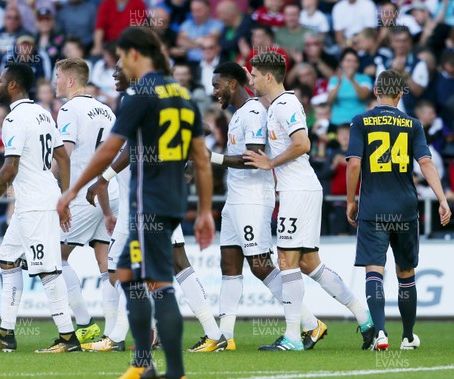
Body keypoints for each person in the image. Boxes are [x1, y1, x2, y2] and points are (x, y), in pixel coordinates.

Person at [57, 27, 214, 379]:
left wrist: (72, 189)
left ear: (134, 54)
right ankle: (145, 362)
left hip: (149, 203)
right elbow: (201, 160)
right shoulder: (183, 95)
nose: (119, 64)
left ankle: (168, 369)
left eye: (122, 57)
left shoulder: (139, 94)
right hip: (173, 199)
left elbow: (112, 148)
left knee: (157, 281)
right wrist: (203, 210)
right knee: (127, 273)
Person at [82, 60, 226, 354]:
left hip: (153, 197)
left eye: (120, 67)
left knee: (153, 265)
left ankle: (122, 335)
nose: (114, 73)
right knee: (142, 267)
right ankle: (143, 333)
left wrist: (103, 177)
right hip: (146, 197)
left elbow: (130, 148)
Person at [245, 52, 373, 351]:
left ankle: (292, 337)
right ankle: (365, 318)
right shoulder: (279, 103)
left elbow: (303, 143)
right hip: (300, 189)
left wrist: (271, 162)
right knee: (308, 263)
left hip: (298, 191)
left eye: (253, 75)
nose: (251, 80)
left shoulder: (286, 104)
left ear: (268, 76)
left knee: (286, 261)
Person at [210, 62, 327, 351]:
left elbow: (254, 158)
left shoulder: (252, 111)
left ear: (232, 84)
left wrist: (209, 158)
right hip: (234, 199)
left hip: (252, 198)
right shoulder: (240, 113)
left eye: (217, 85)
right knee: (229, 264)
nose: (214, 92)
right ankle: (224, 336)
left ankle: (310, 324)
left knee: (261, 265)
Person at [0, 62, 79, 353]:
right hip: (35, 203)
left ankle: (68, 338)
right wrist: (64, 197)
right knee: (8, 260)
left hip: (35, 206)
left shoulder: (15, 118)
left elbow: (10, 167)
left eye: (0, 81)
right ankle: (6, 333)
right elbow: (64, 158)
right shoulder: (43, 114)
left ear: (12, 85)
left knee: (48, 271)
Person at [346, 69, 452, 351]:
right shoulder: (412, 124)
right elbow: (426, 163)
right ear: (401, 93)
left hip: (374, 206)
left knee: (374, 271)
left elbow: (354, 163)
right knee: (406, 273)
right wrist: (442, 199)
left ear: (376, 91)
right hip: (405, 207)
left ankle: (380, 333)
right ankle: (407, 336)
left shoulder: (361, 121)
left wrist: (349, 200)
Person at [53, 57, 120, 343]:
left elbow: (63, 155)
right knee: (105, 264)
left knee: (52, 259)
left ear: (70, 80)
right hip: (109, 191)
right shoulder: (106, 110)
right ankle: (111, 335)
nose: (54, 81)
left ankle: (83, 323)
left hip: (83, 195)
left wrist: (60, 193)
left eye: (57, 76)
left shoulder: (68, 110)